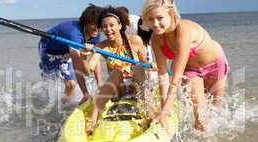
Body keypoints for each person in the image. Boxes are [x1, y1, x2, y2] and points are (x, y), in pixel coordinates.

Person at [141, 0, 230, 131]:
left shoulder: (183, 30)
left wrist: (164, 113)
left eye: (160, 18)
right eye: (150, 19)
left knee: (216, 111)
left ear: (170, 14)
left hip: (215, 65)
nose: (155, 24)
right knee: (199, 114)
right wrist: (164, 110)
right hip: (191, 71)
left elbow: (175, 78)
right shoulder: (156, 39)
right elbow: (163, 75)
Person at [80, 6, 148, 135]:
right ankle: (93, 119)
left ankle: (147, 111)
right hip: (118, 90)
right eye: (104, 26)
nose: (108, 29)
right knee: (116, 72)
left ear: (120, 25)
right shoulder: (102, 46)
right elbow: (89, 70)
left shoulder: (135, 40)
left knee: (139, 67)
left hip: (137, 88)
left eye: (111, 25)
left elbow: (144, 62)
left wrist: (148, 65)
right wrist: (84, 56)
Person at [38, 4, 103, 103]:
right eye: (93, 24)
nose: (97, 29)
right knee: (60, 82)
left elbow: (95, 59)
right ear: (86, 22)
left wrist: (100, 85)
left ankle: (66, 105)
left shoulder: (96, 33)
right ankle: (60, 106)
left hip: (67, 50)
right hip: (49, 50)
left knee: (71, 84)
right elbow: (77, 67)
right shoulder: (74, 34)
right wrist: (85, 93)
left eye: (99, 26)